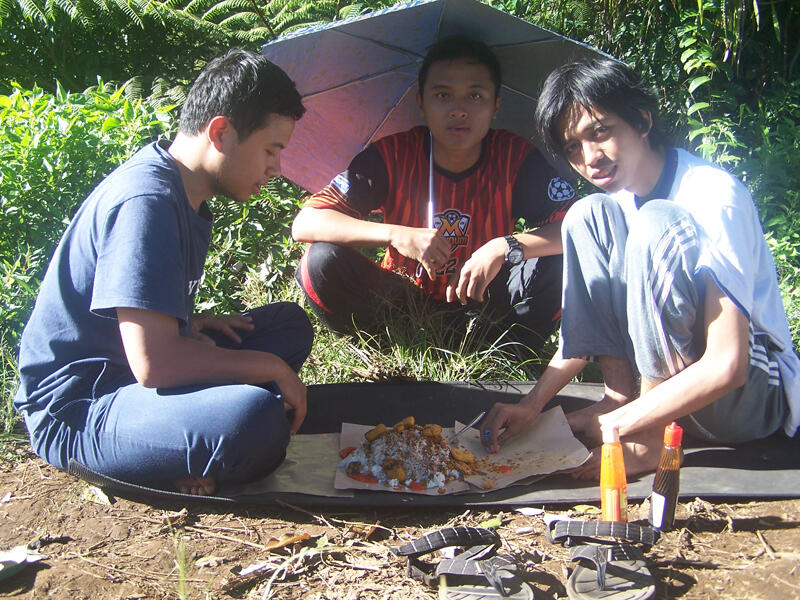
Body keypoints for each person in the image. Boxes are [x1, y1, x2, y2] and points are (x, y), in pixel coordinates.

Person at [14, 49, 313, 496]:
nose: (277, 169)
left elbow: (124, 315)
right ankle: (176, 453)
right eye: (271, 150)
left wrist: (188, 324)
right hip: (80, 407)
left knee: (289, 325)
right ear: (221, 132)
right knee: (254, 419)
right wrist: (271, 367)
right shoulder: (147, 201)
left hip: (130, 371)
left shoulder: (189, 195)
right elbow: (155, 364)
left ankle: (178, 442)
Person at [482, 57, 799, 477]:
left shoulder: (712, 196)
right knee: (585, 214)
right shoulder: (620, 202)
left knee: (655, 224)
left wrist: (625, 428)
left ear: (643, 121)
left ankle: (645, 440)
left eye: (601, 133)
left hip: (749, 399)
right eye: (573, 148)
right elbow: (586, 329)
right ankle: (619, 397)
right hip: (674, 395)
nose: (590, 158)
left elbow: (729, 365)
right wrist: (532, 404)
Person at [291, 35, 576, 357]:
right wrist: (396, 235)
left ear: (496, 105)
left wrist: (503, 246)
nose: (459, 110)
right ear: (421, 103)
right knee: (320, 262)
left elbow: (578, 229)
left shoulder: (516, 157)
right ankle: (391, 350)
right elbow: (306, 221)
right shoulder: (392, 154)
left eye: (475, 96)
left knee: (562, 261)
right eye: (443, 95)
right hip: (403, 304)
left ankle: (507, 359)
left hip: (487, 308)